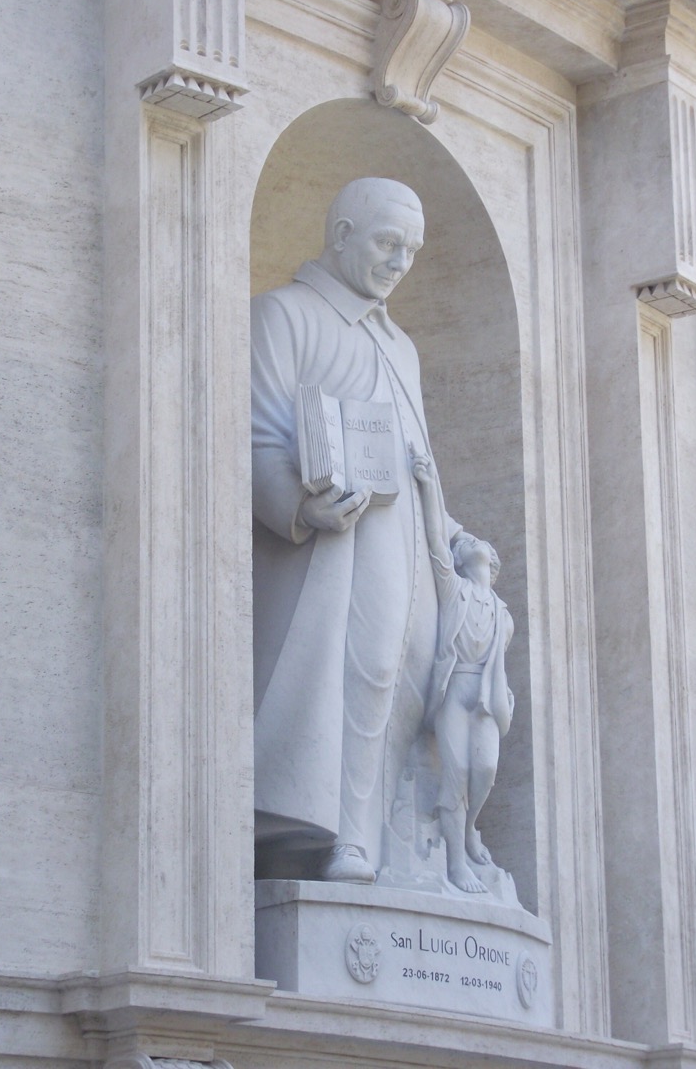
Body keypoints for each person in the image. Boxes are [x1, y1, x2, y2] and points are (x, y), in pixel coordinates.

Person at [251, 178, 467, 884]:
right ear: (341, 235)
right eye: (386, 242)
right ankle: (337, 835)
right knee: (357, 671)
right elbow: (249, 437)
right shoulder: (284, 315)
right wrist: (298, 506)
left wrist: (453, 538)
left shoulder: (401, 345)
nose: (400, 261)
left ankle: (376, 836)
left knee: (403, 674)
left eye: (412, 249)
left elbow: (417, 457)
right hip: (332, 548)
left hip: (407, 546)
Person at [410, 448, 513, 894]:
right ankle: (455, 864)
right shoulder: (454, 591)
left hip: (487, 700)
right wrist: (431, 487)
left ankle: (470, 828)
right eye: (462, 544)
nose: (463, 543)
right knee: (454, 773)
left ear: (490, 560)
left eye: (472, 542)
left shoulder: (504, 615)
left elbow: (502, 662)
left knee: (485, 770)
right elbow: (436, 541)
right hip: (455, 690)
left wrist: (507, 696)